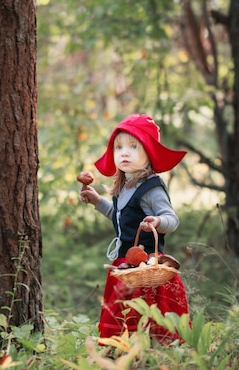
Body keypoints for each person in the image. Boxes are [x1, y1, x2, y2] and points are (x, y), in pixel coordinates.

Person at [79, 113, 189, 344]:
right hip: (125, 265)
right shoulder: (124, 186)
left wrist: (157, 222)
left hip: (147, 267)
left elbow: (172, 219)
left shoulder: (152, 188)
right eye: (118, 148)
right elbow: (120, 218)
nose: (124, 152)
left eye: (133, 146)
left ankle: (151, 351)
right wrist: (98, 201)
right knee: (123, 314)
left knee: (147, 315)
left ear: (149, 152)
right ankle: (123, 351)